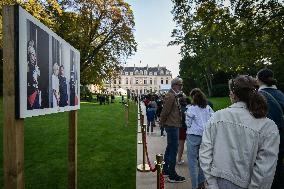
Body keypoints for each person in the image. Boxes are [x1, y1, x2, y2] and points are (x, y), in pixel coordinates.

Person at [199, 75, 280, 189]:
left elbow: (205, 154)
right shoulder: (268, 126)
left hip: (219, 182)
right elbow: (264, 171)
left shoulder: (217, 117)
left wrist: (212, 184)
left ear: (233, 94)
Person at [257, 68, 284, 189]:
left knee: (267, 171)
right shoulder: (280, 94)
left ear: (259, 80)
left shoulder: (259, 96)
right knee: (278, 167)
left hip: (267, 138)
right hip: (282, 135)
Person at [185, 88, 214, 189]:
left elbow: (187, 123)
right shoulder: (208, 108)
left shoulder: (191, 108)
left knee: (192, 162)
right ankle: (201, 183)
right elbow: (213, 120)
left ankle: (195, 186)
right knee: (202, 160)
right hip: (205, 136)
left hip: (193, 135)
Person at [159, 77, 186, 183]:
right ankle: (172, 174)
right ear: (174, 85)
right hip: (172, 126)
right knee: (173, 150)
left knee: (170, 148)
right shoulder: (170, 96)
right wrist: (162, 123)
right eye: (180, 85)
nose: (181, 87)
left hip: (173, 125)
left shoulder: (173, 95)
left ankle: (166, 171)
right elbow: (165, 111)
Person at [27, 40, 41, 109]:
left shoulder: (35, 67)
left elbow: (37, 79)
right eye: (32, 54)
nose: (34, 57)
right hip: (30, 94)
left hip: (36, 93)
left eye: (34, 55)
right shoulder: (27, 66)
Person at [177, 96, 190, 165]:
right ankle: (179, 159)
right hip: (185, 128)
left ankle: (178, 159)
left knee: (180, 144)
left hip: (178, 128)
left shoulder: (177, 110)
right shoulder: (187, 110)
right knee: (184, 145)